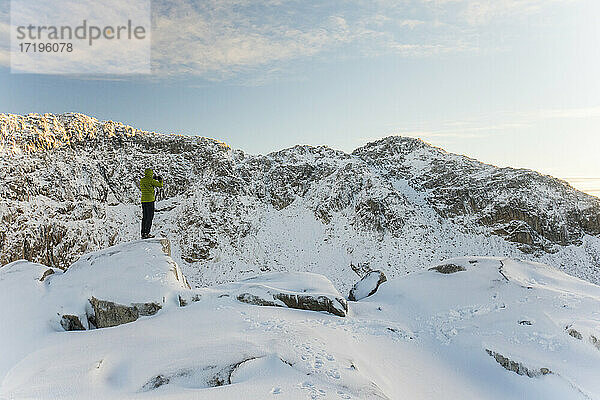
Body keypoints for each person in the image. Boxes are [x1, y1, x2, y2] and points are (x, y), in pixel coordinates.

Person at [140, 168, 163, 239]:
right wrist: (160, 179)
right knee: (150, 217)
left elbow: (147, 183)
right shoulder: (151, 180)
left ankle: (143, 232)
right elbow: (160, 185)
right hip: (150, 200)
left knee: (145, 217)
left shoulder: (142, 180)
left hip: (143, 200)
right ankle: (147, 233)